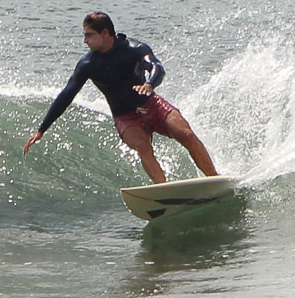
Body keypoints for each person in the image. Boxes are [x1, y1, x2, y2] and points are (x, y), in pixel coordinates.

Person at [22, 11, 218, 184]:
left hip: (152, 104)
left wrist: (149, 84)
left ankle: (214, 179)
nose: (85, 41)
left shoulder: (134, 48)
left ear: (105, 33)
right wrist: (42, 129)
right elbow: (66, 95)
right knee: (142, 146)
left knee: (187, 135)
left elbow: (157, 68)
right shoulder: (87, 64)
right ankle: (164, 190)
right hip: (126, 117)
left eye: (89, 35)